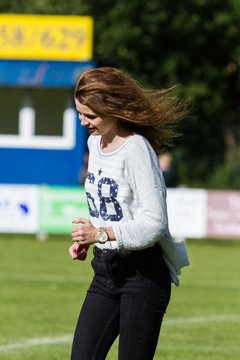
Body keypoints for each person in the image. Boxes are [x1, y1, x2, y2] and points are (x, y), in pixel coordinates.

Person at [68, 67, 190, 360]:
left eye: (90, 115)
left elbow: (155, 223)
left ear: (113, 109)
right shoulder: (94, 144)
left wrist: (101, 234)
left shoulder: (137, 150)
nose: (83, 121)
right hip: (105, 271)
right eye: (80, 113)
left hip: (143, 277)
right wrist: (91, 236)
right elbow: (112, 206)